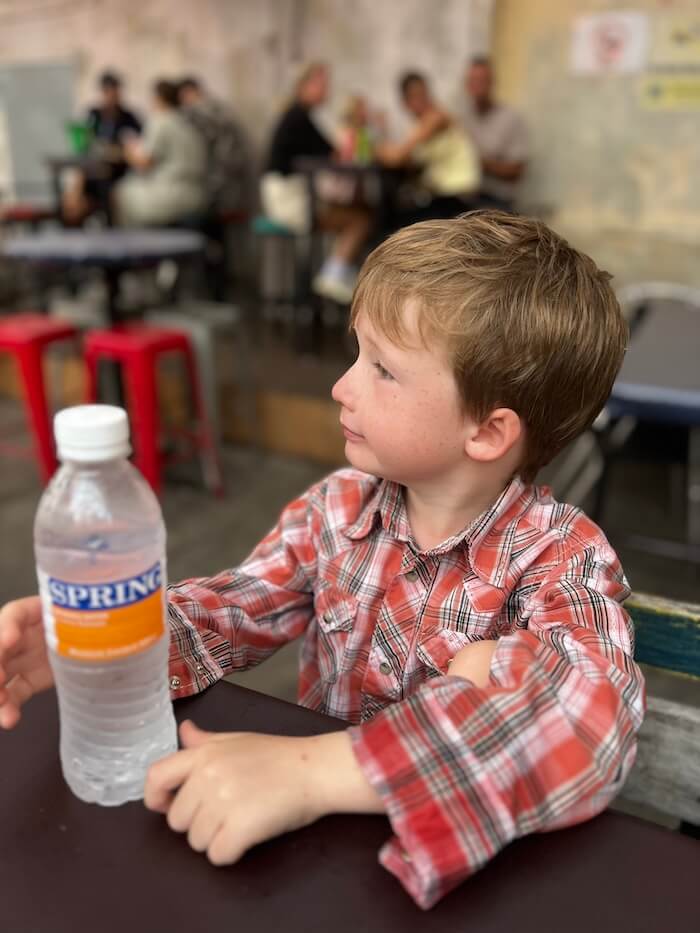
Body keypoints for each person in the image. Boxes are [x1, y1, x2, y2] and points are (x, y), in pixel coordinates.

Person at [0, 211, 645, 910]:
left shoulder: (559, 556)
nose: (342, 386)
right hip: (313, 858)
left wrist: (311, 771)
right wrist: (109, 640)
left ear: (487, 432)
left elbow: (587, 721)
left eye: (382, 369)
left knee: (491, 668)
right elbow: (238, 604)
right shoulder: (337, 507)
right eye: (356, 353)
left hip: (445, 878)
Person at [261, 62, 372, 305]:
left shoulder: (298, 115)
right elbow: (334, 155)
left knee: (352, 209)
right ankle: (333, 275)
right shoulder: (298, 117)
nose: (326, 90)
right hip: (289, 201)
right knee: (360, 219)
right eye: (321, 84)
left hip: (289, 195)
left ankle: (336, 273)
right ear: (304, 86)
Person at [375, 71, 481, 226]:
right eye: (416, 96)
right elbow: (405, 160)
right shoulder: (419, 127)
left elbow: (397, 156)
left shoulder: (436, 117)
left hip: (457, 197)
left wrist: (377, 146)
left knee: (393, 222)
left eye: (424, 94)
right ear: (405, 103)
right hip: (442, 197)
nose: (423, 100)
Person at [113, 79, 208, 227]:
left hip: (171, 194)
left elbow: (144, 163)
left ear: (158, 98)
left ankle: (137, 241)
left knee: (121, 192)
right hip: (197, 194)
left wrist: (127, 151)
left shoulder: (161, 120)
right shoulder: (188, 120)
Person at [62, 71, 142, 224]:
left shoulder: (129, 118)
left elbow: (136, 148)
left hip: (117, 176)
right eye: (108, 92)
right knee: (71, 202)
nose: (111, 97)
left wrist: (115, 151)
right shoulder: (94, 115)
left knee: (110, 198)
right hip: (92, 174)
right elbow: (83, 146)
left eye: (115, 92)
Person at [463, 57, 529, 212]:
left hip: (497, 201)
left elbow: (517, 171)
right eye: (473, 81)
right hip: (465, 199)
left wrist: (478, 163)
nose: (477, 86)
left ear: (492, 83)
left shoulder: (510, 118)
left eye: (482, 81)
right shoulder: (461, 117)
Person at [177, 76, 250, 213]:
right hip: (232, 167)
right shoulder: (218, 107)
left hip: (221, 170)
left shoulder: (201, 111)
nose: (183, 102)